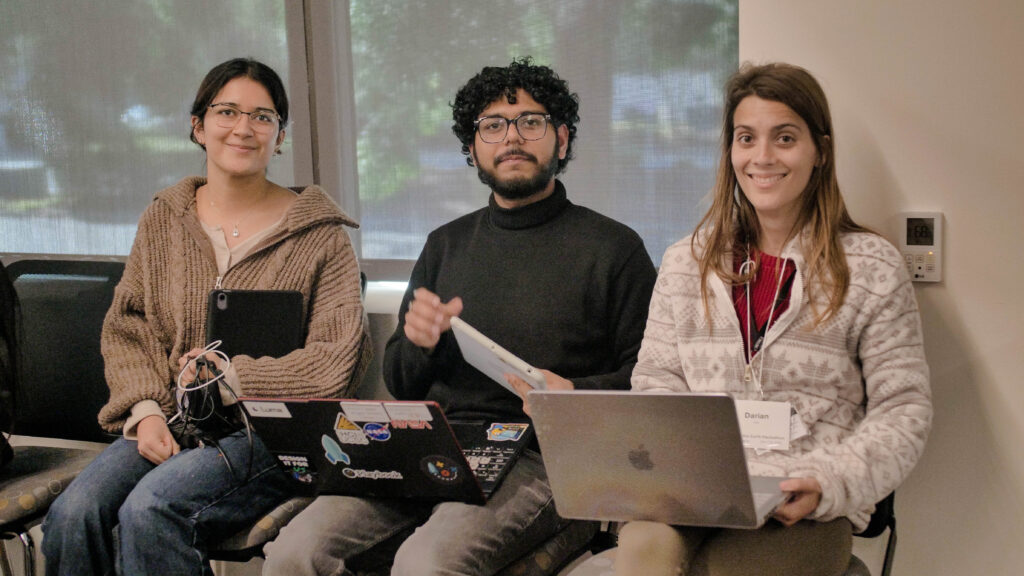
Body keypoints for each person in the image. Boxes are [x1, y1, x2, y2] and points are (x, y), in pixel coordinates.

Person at [262, 57, 658, 575]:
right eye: (492, 126)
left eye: (530, 122)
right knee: (294, 554)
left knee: (426, 564)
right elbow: (401, 382)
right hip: (432, 447)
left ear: (562, 139)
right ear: (473, 148)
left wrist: (578, 395)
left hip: (542, 456)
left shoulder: (613, 248)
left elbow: (650, 380)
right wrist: (419, 342)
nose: (511, 137)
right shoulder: (444, 245)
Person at [41, 57, 371, 576]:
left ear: (280, 135)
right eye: (227, 112)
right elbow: (130, 327)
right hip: (172, 417)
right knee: (72, 514)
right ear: (198, 126)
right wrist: (145, 409)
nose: (244, 128)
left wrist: (232, 379)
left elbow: (337, 362)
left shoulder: (321, 235)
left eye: (263, 117)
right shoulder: (164, 218)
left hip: (273, 434)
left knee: (150, 511)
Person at [615, 62, 933, 575]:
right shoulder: (685, 261)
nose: (762, 157)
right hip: (698, 492)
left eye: (784, 138)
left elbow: (904, 411)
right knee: (639, 551)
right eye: (746, 138)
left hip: (803, 504)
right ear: (730, 151)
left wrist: (828, 481)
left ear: (820, 152)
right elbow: (656, 385)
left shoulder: (871, 267)